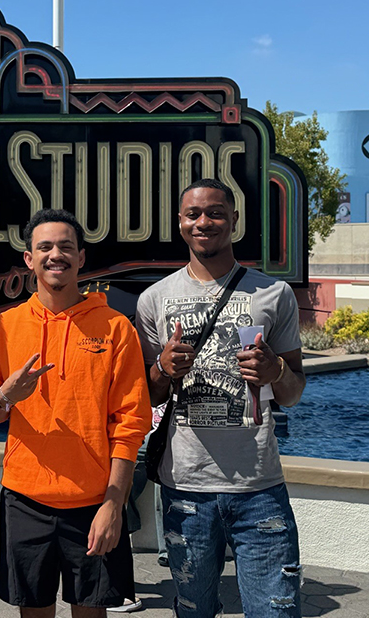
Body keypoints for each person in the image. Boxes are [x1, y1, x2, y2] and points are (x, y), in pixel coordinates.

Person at [134, 178, 306, 618]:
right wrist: (162, 369)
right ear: (179, 222)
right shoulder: (154, 299)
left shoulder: (274, 294)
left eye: (214, 213)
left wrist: (276, 370)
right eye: (193, 214)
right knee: (193, 611)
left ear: (234, 220)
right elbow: (148, 394)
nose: (203, 222)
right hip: (185, 486)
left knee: (276, 612)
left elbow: (293, 393)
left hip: (259, 487)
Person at [0, 208, 152, 618]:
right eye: (45, 247)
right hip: (25, 499)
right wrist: (6, 395)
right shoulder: (3, 328)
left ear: (81, 257)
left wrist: (114, 503)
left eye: (66, 247)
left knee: (90, 611)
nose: (56, 255)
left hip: (94, 501)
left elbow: (130, 423)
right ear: (28, 258)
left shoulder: (114, 328)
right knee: (33, 610)